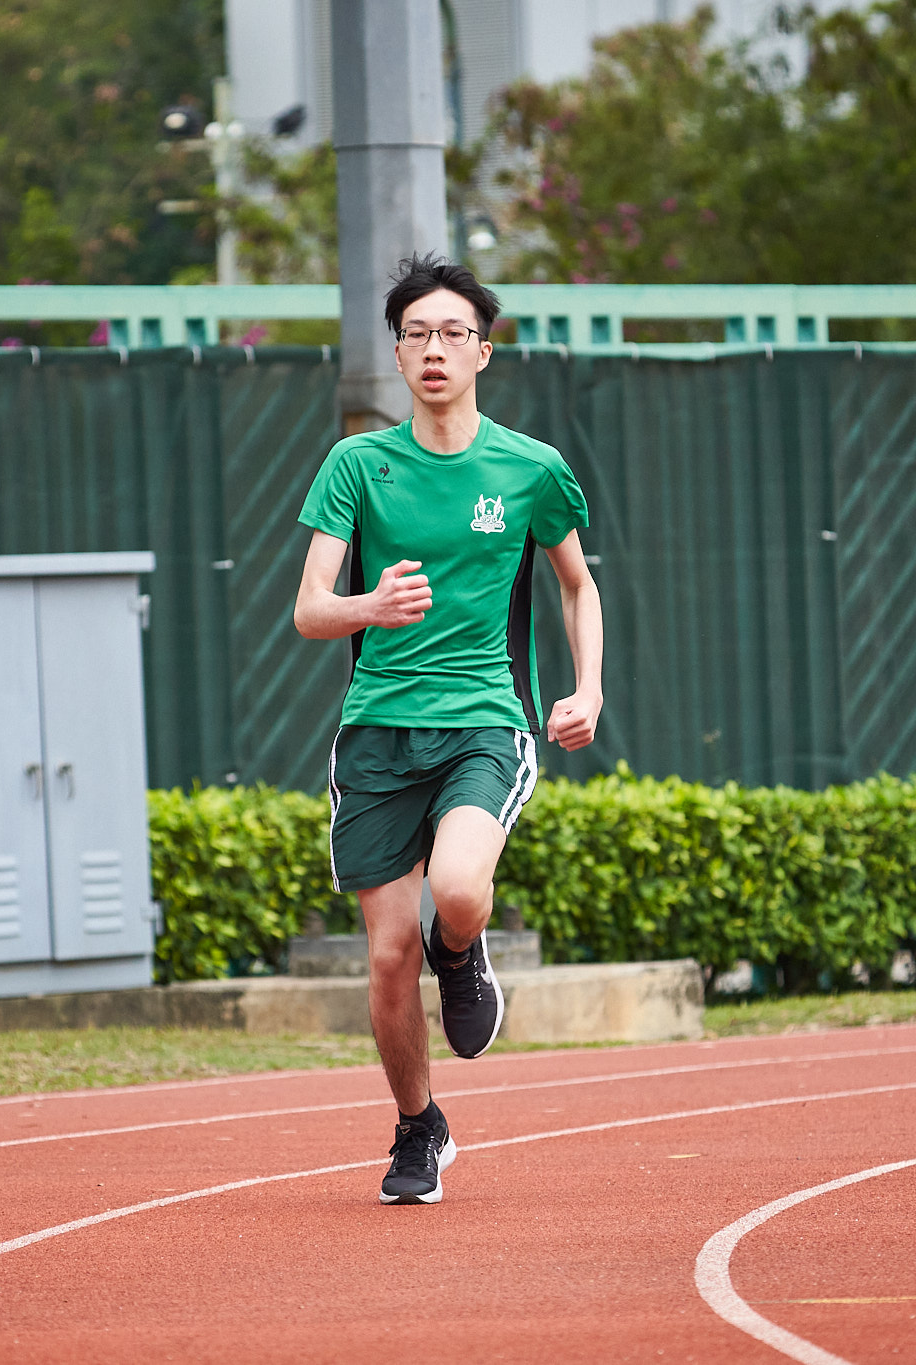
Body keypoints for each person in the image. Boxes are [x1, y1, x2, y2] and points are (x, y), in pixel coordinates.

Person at [293, 254, 604, 1205]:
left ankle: (462, 951)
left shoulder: (530, 467)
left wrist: (588, 688)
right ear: (396, 354)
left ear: (483, 352)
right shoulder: (357, 466)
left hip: (484, 722)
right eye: (417, 334)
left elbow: (578, 585)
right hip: (378, 732)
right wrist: (370, 606)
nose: (435, 349)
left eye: (453, 333)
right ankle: (418, 1125)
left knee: (460, 890)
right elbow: (310, 608)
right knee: (389, 954)